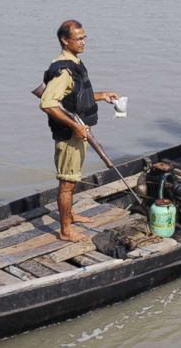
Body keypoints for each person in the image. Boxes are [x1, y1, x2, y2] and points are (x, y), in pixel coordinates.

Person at [40, 20, 120, 242]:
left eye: (85, 37)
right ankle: (65, 230)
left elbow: (75, 96)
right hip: (69, 136)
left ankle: (71, 215)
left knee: (73, 179)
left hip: (79, 131)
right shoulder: (63, 70)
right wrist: (75, 126)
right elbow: (47, 103)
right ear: (65, 40)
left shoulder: (74, 62)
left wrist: (102, 95)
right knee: (67, 183)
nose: (83, 42)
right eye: (79, 38)